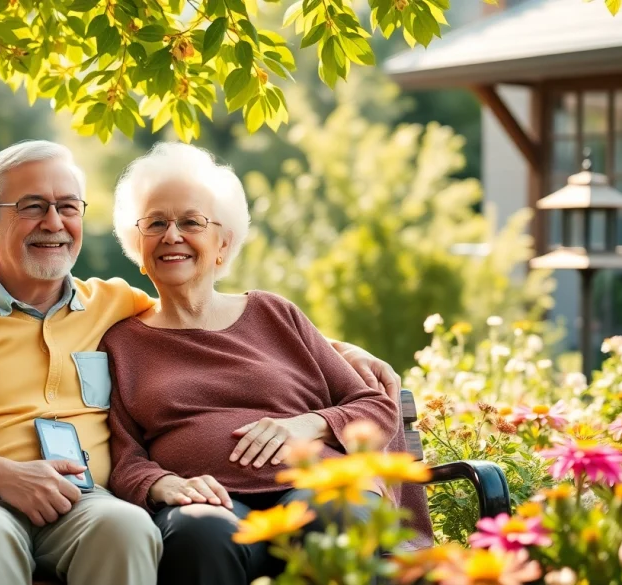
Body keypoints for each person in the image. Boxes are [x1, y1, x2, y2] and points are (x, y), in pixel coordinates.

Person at [0, 140, 404, 585]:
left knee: (127, 528)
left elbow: (207, 311)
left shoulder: (112, 305)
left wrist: (339, 349)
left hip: (76, 504)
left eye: (68, 206)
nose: (53, 222)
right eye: (32, 206)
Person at [102, 142, 433, 585]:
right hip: (208, 500)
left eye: (191, 222)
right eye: (155, 223)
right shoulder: (121, 342)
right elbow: (125, 458)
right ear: (137, 247)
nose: (172, 235)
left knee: (338, 515)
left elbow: (375, 405)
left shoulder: (273, 314)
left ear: (223, 243)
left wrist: (307, 424)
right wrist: (162, 486)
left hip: (316, 484)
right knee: (197, 533)